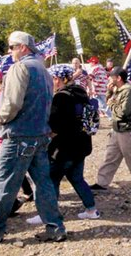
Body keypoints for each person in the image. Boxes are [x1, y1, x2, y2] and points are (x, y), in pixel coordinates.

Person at [0, 31, 66, 245]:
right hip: (39, 133)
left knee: (5, 184)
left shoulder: (20, 67)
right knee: (43, 184)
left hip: (19, 134)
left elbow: (12, 103)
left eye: (12, 47)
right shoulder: (43, 69)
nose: (10, 51)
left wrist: (0, 119)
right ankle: (55, 227)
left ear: (23, 47)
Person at [27, 64, 99, 222]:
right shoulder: (80, 92)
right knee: (77, 178)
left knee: (51, 179)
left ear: (57, 79)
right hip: (82, 145)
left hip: (64, 148)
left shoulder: (61, 97)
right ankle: (91, 209)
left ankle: (47, 214)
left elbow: (55, 126)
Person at [91, 66, 131, 192]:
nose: (109, 80)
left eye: (111, 77)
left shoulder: (128, 90)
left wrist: (111, 103)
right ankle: (102, 183)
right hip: (116, 129)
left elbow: (123, 112)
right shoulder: (118, 89)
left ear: (118, 78)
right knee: (111, 157)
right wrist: (109, 93)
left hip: (126, 129)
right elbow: (111, 103)